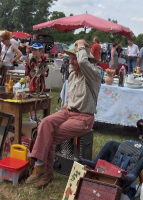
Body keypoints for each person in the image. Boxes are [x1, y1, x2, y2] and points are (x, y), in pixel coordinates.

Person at [25, 39, 101, 189]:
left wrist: (79, 45)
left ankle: (47, 173)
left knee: (53, 135)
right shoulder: (73, 74)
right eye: (70, 58)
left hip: (84, 118)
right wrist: (62, 112)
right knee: (46, 123)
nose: (71, 61)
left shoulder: (94, 74)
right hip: (67, 111)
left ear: (82, 58)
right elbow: (69, 98)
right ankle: (39, 166)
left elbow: (84, 64)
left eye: (75, 58)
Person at [25, 42, 49, 122]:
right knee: (31, 99)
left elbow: (46, 73)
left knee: (39, 99)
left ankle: (36, 115)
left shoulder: (43, 61)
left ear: (40, 51)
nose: (33, 51)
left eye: (35, 50)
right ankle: (31, 117)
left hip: (40, 82)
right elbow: (28, 73)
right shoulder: (30, 61)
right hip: (32, 82)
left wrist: (41, 72)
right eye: (32, 50)